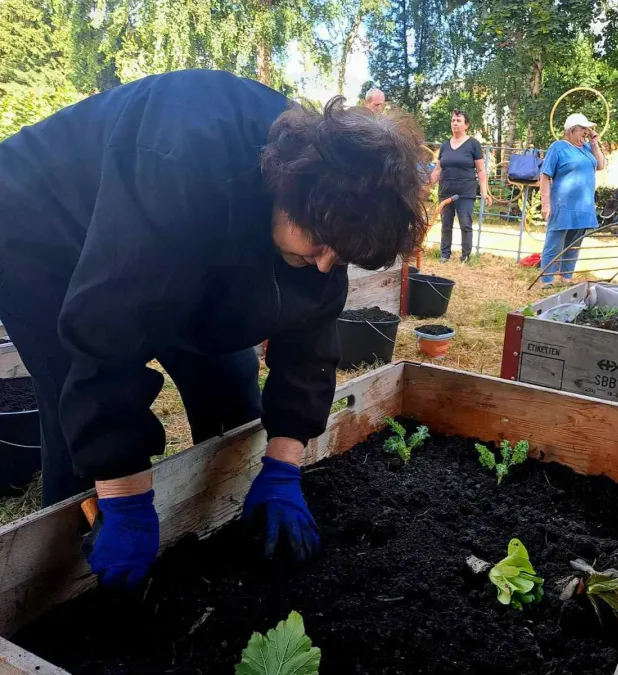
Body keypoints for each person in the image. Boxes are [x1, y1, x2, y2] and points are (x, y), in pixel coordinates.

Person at [0, 70, 427, 586]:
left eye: (342, 257)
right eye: (319, 243)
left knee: (229, 387)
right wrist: (126, 497)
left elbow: (310, 341)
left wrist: (283, 468)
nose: (324, 264)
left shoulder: (326, 216)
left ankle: (228, 518)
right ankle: (65, 577)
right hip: (39, 226)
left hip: (178, 227)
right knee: (74, 401)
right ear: (285, 190)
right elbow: (106, 336)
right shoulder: (184, 166)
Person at [538, 113, 606, 288]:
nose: (587, 131)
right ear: (571, 129)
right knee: (555, 242)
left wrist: (594, 142)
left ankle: (566, 277)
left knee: (574, 244)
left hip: (584, 205)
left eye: (587, 128)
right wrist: (545, 204)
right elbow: (545, 176)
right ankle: (547, 280)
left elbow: (600, 165)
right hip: (562, 204)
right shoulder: (558, 147)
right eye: (583, 128)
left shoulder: (586, 148)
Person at [429, 109, 493, 262]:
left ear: (466, 125)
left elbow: (481, 170)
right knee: (446, 224)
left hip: (465, 192)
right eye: (453, 121)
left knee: (465, 224)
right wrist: (428, 185)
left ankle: (465, 256)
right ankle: (444, 255)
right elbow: (438, 169)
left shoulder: (473, 144)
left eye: (459, 121)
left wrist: (484, 192)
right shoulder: (445, 145)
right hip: (446, 191)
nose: (455, 123)